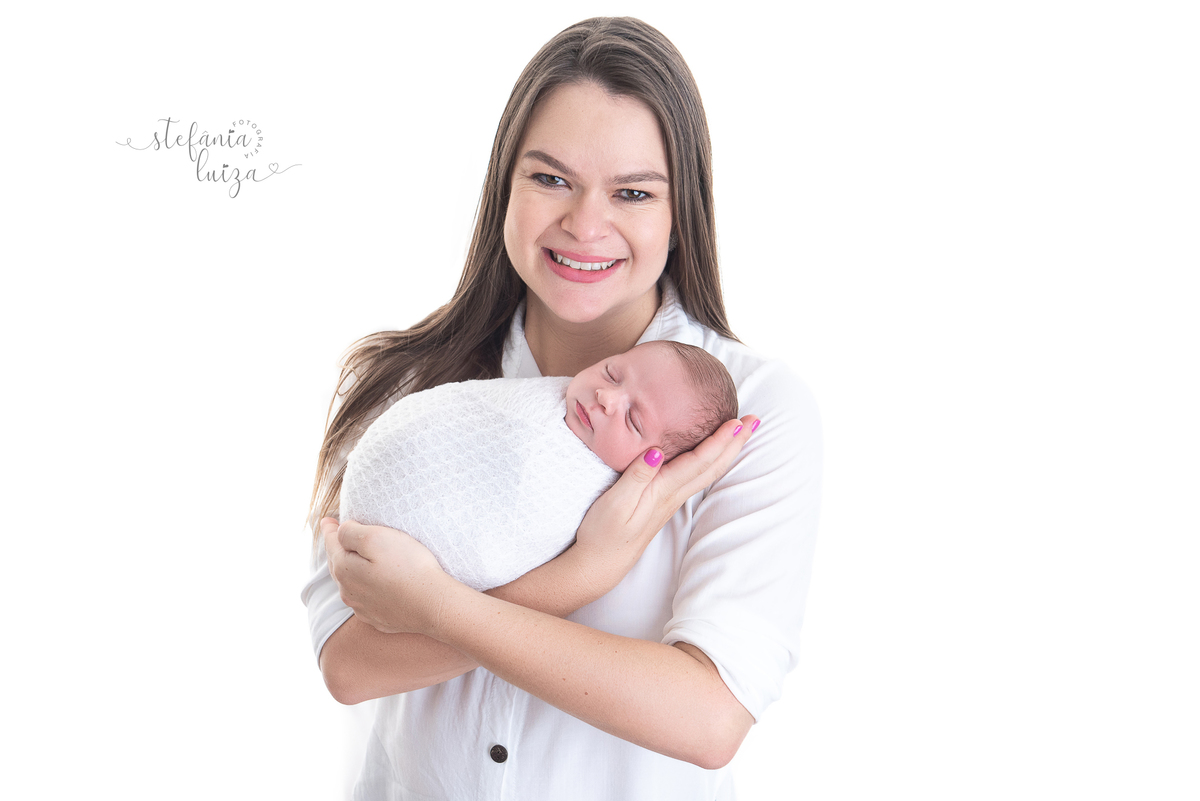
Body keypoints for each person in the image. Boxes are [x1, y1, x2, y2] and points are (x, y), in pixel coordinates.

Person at [302, 16, 822, 800]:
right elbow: (349, 666)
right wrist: (580, 574)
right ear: (503, 187)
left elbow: (710, 715)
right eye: (550, 179)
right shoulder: (407, 385)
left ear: (681, 212)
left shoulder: (749, 416)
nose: (585, 224)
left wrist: (433, 604)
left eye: (633, 192)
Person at [338, 340, 738, 592]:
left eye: (633, 420)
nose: (606, 397)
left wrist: (583, 572)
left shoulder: (599, 495)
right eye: (612, 373)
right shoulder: (536, 394)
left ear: (656, 464)